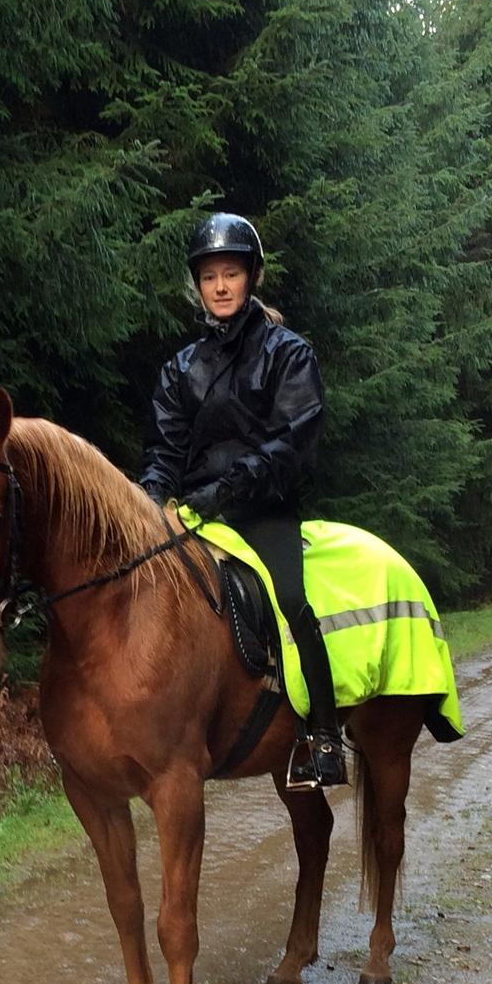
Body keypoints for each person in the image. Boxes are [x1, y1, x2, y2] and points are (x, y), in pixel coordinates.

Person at [140, 211, 347, 789]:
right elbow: (164, 446)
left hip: (262, 509)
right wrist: (153, 498)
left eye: (231, 273)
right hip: (194, 513)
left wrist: (227, 490)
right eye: (210, 277)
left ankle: (324, 737)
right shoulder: (180, 369)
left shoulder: (289, 354)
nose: (221, 286)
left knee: (289, 598)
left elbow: (294, 440)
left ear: (251, 277)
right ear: (198, 286)